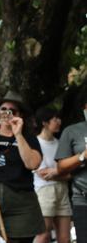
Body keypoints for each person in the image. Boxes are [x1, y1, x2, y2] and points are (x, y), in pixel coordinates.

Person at [0, 90, 44, 243]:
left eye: (12, 111)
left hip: (21, 202)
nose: (7, 114)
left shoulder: (28, 137)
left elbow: (32, 163)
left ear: (20, 115)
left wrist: (18, 134)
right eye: (3, 110)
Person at [32, 108, 71, 243]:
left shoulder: (60, 143)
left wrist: (55, 172)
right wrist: (62, 172)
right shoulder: (35, 143)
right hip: (44, 191)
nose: (59, 122)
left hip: (63, 191)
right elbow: (43, 174)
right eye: (55, 119)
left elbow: (69, 173)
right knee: (44, 235)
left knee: (65, 239)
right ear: (44, 123)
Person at [55, 100, 87, 243]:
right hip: (83, 199)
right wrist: (82, 156)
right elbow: (61, 168)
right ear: (85, 107)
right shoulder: (72, 131)